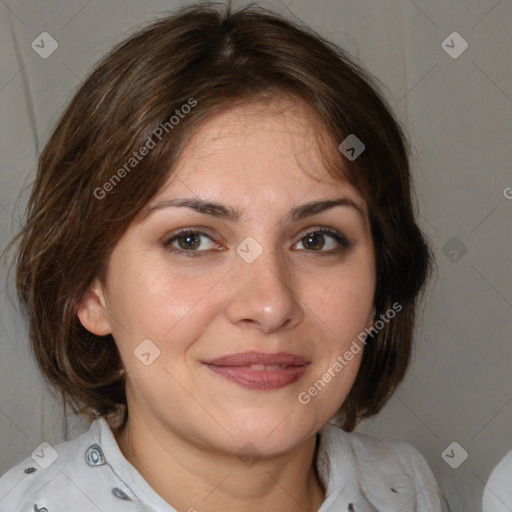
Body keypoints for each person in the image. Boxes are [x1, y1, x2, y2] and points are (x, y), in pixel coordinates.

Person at [0, 2, 450, 510]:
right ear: (88, 289)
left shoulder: (407, 487)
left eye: (317, 239)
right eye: (191, 240)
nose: (270, 305)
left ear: (380, 278)